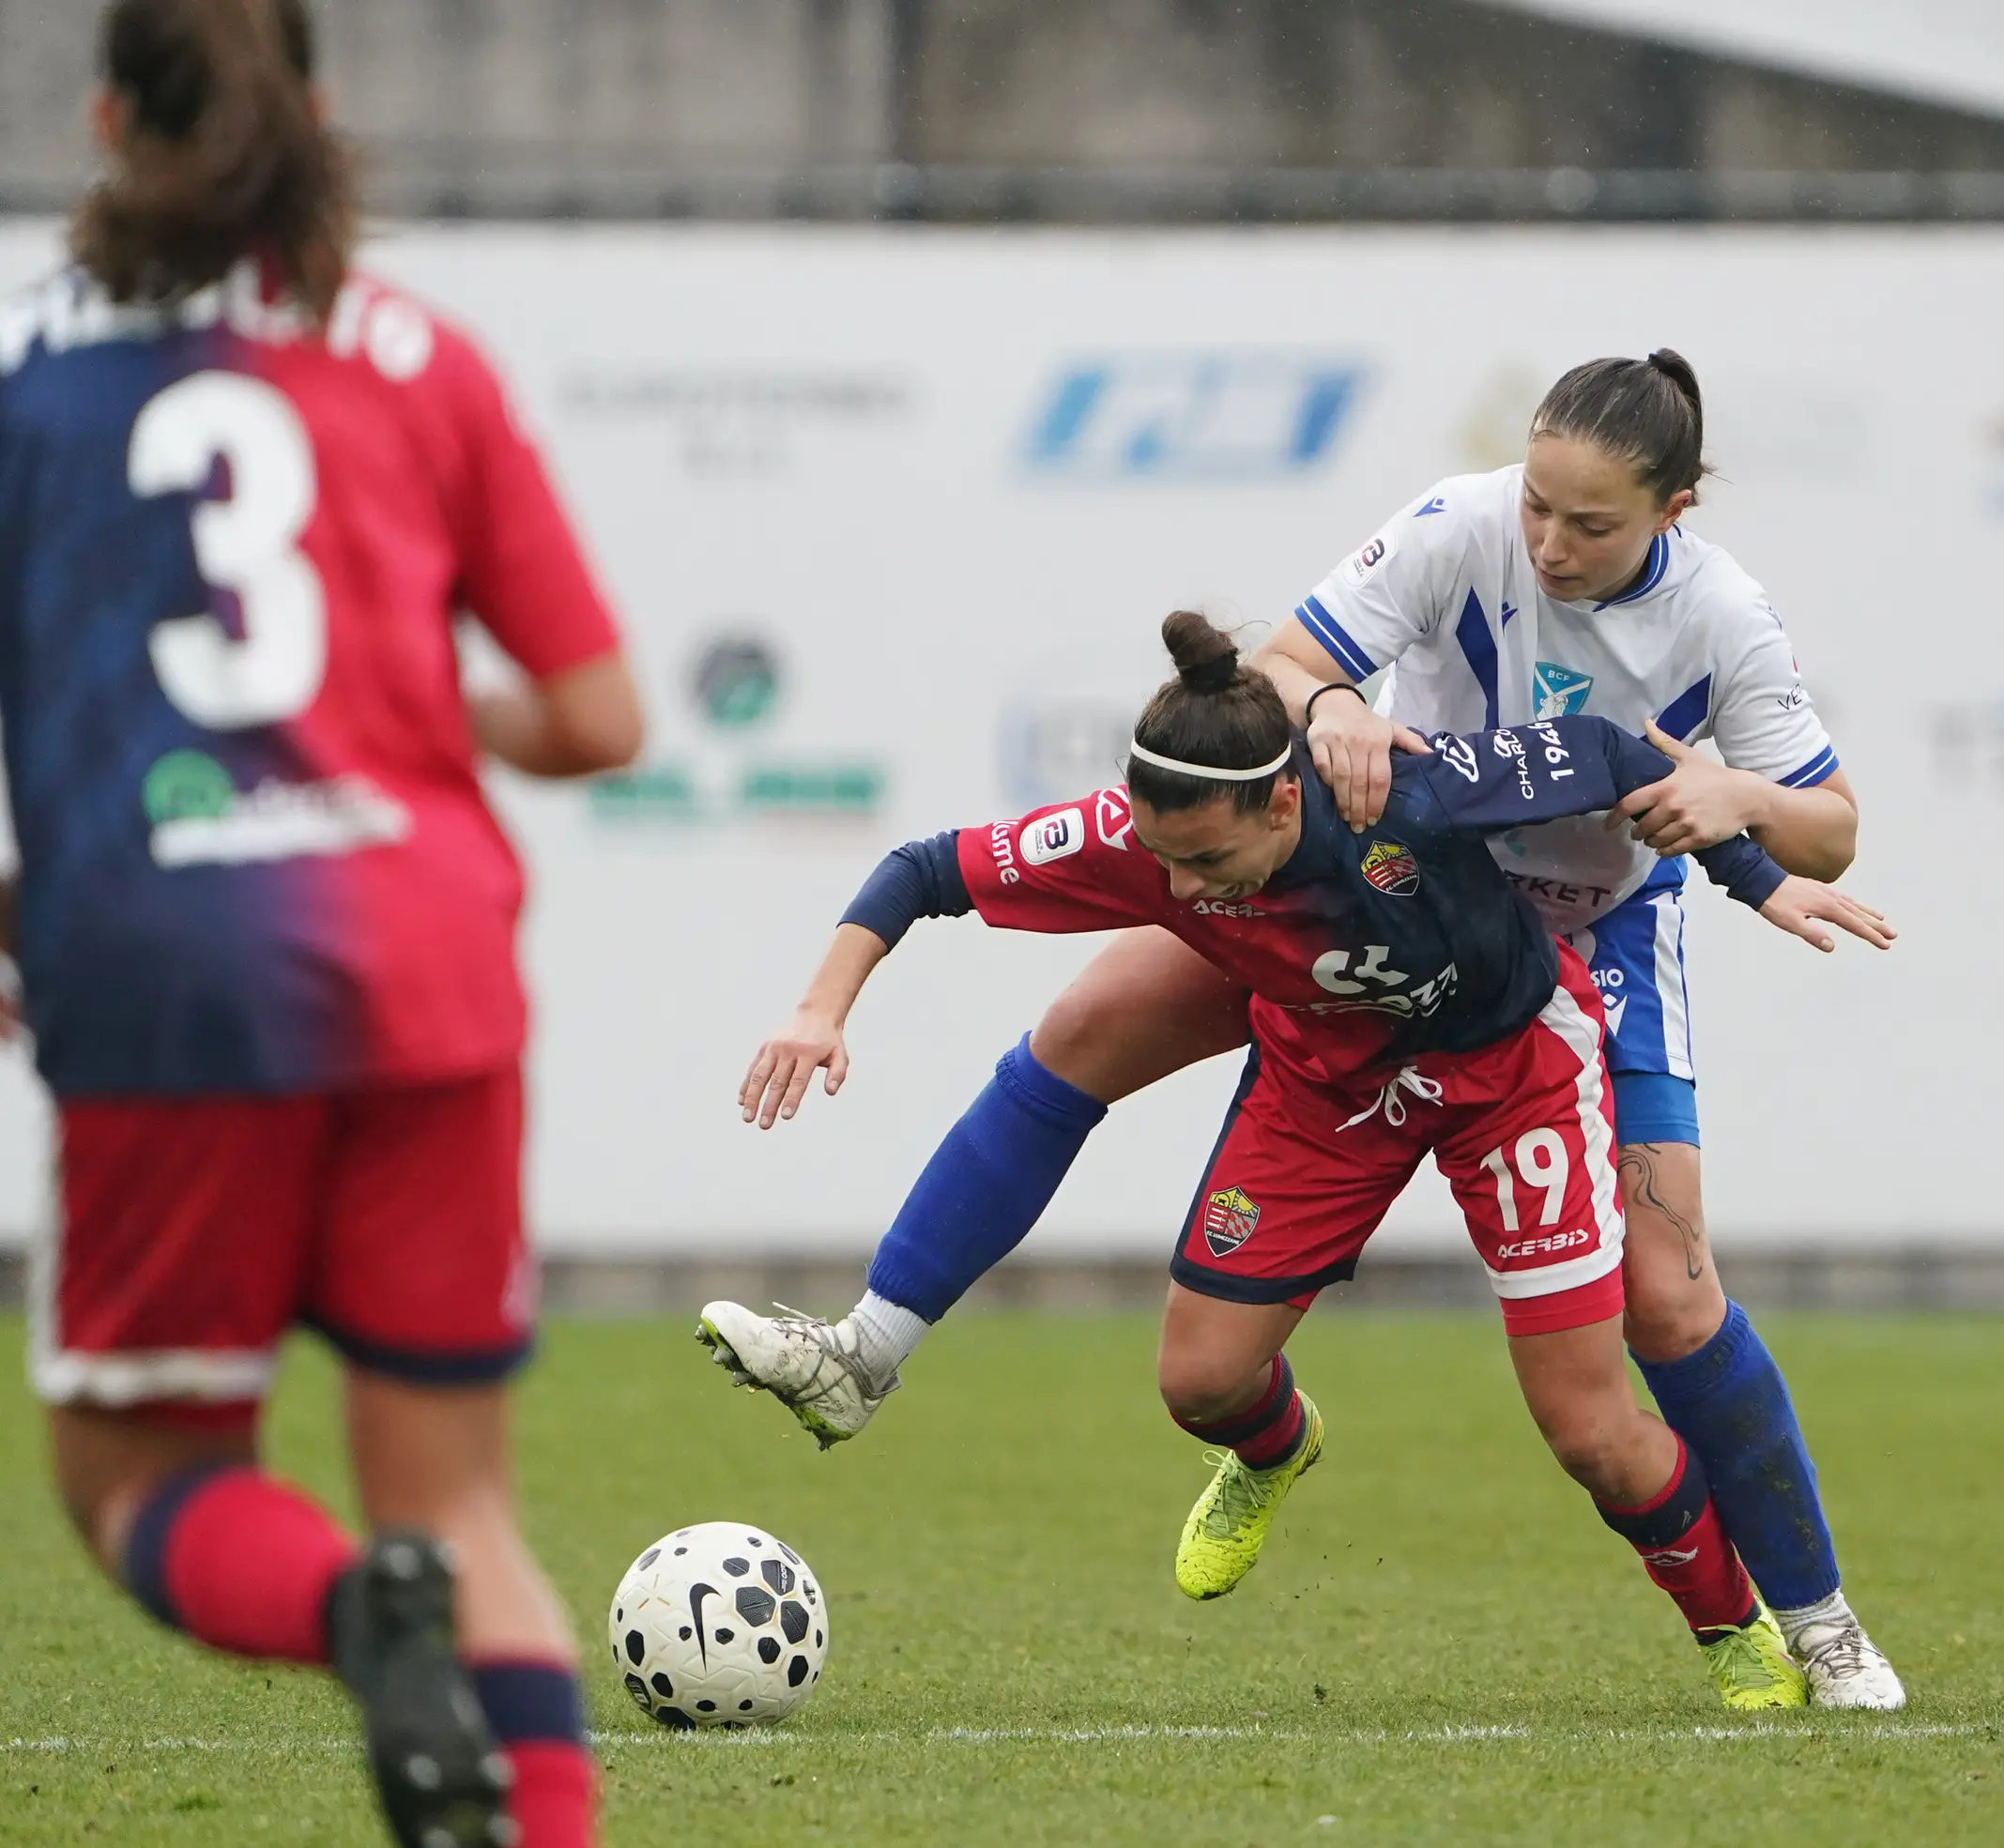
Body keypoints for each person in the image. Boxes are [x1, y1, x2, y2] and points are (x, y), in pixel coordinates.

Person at [714, 350, 1907, 1711]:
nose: (1548, 543)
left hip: (1575, 942)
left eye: (1592, 525)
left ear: (1675, 511)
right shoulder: (1460, 528)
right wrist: (1337, 707)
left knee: (1668, 1296)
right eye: (1538, 506)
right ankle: (869, 1351)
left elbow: (1831, 825)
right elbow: (1284, 666)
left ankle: (1815, 1623)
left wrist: (1736, 810)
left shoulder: (1725, 621)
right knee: (1090, 1019)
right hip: (1375, 876)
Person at [0, 4, 641, 1844]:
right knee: (457, 1501)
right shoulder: (422, 359)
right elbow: (599, 719)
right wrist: (433, 728)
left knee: (137, 1468)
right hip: (425, 958)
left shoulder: (27, 377)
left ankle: (351, 1614)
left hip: (158, 973)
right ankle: (417, 1603)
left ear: (111, 117)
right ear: (321, 109)